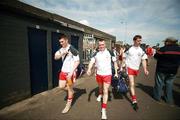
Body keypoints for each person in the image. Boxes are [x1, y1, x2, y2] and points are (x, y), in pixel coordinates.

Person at [87, 39, 118, 120]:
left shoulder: (110, 52)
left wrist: (116, 73)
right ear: (98, 45)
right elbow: (91, 62)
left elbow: (115, 62)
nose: (101, 46)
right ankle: (100, 94)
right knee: (100, 87)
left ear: (105, 45)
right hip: (99, 74)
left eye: (103, 44)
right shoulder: (96, 53)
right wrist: (89, 69)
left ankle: (103, 110)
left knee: (105, 90)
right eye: (100, 45)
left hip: (107, 74)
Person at [54, 34, 80, 114]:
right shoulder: (61, 49)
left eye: (62, 41)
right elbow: (55, 57)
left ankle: (68, 106)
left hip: (70, 73)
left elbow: (77, 61)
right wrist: (63, 53)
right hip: (63, 72)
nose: (61, 43)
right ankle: (71, 91)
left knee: (69, 88)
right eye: (60, 42)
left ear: (66, 40)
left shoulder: (72, 49)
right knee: (61, 87)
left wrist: (72, 72)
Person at [122, 35, 149, 110]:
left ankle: (126, 86)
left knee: (130, 82)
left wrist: (145, 69)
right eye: (138, 41)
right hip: (129, 67)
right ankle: (134, 100)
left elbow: (143, 60)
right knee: (132, 83)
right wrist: (123, 64)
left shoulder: (141, 49)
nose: (140, 42)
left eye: (140, 41)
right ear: (134, 41)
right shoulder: (129, 48)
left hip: (136, 68)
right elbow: (123, 56)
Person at [153, 37, 180, 104]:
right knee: (169, 84)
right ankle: (168, 99)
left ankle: (157, 97)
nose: (164, 43)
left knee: (159, 83)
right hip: (173, 70)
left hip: (162, 69)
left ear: (168, 42)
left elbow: (156, 57)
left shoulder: (163, 49)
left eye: (165, 42)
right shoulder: (179, 49)